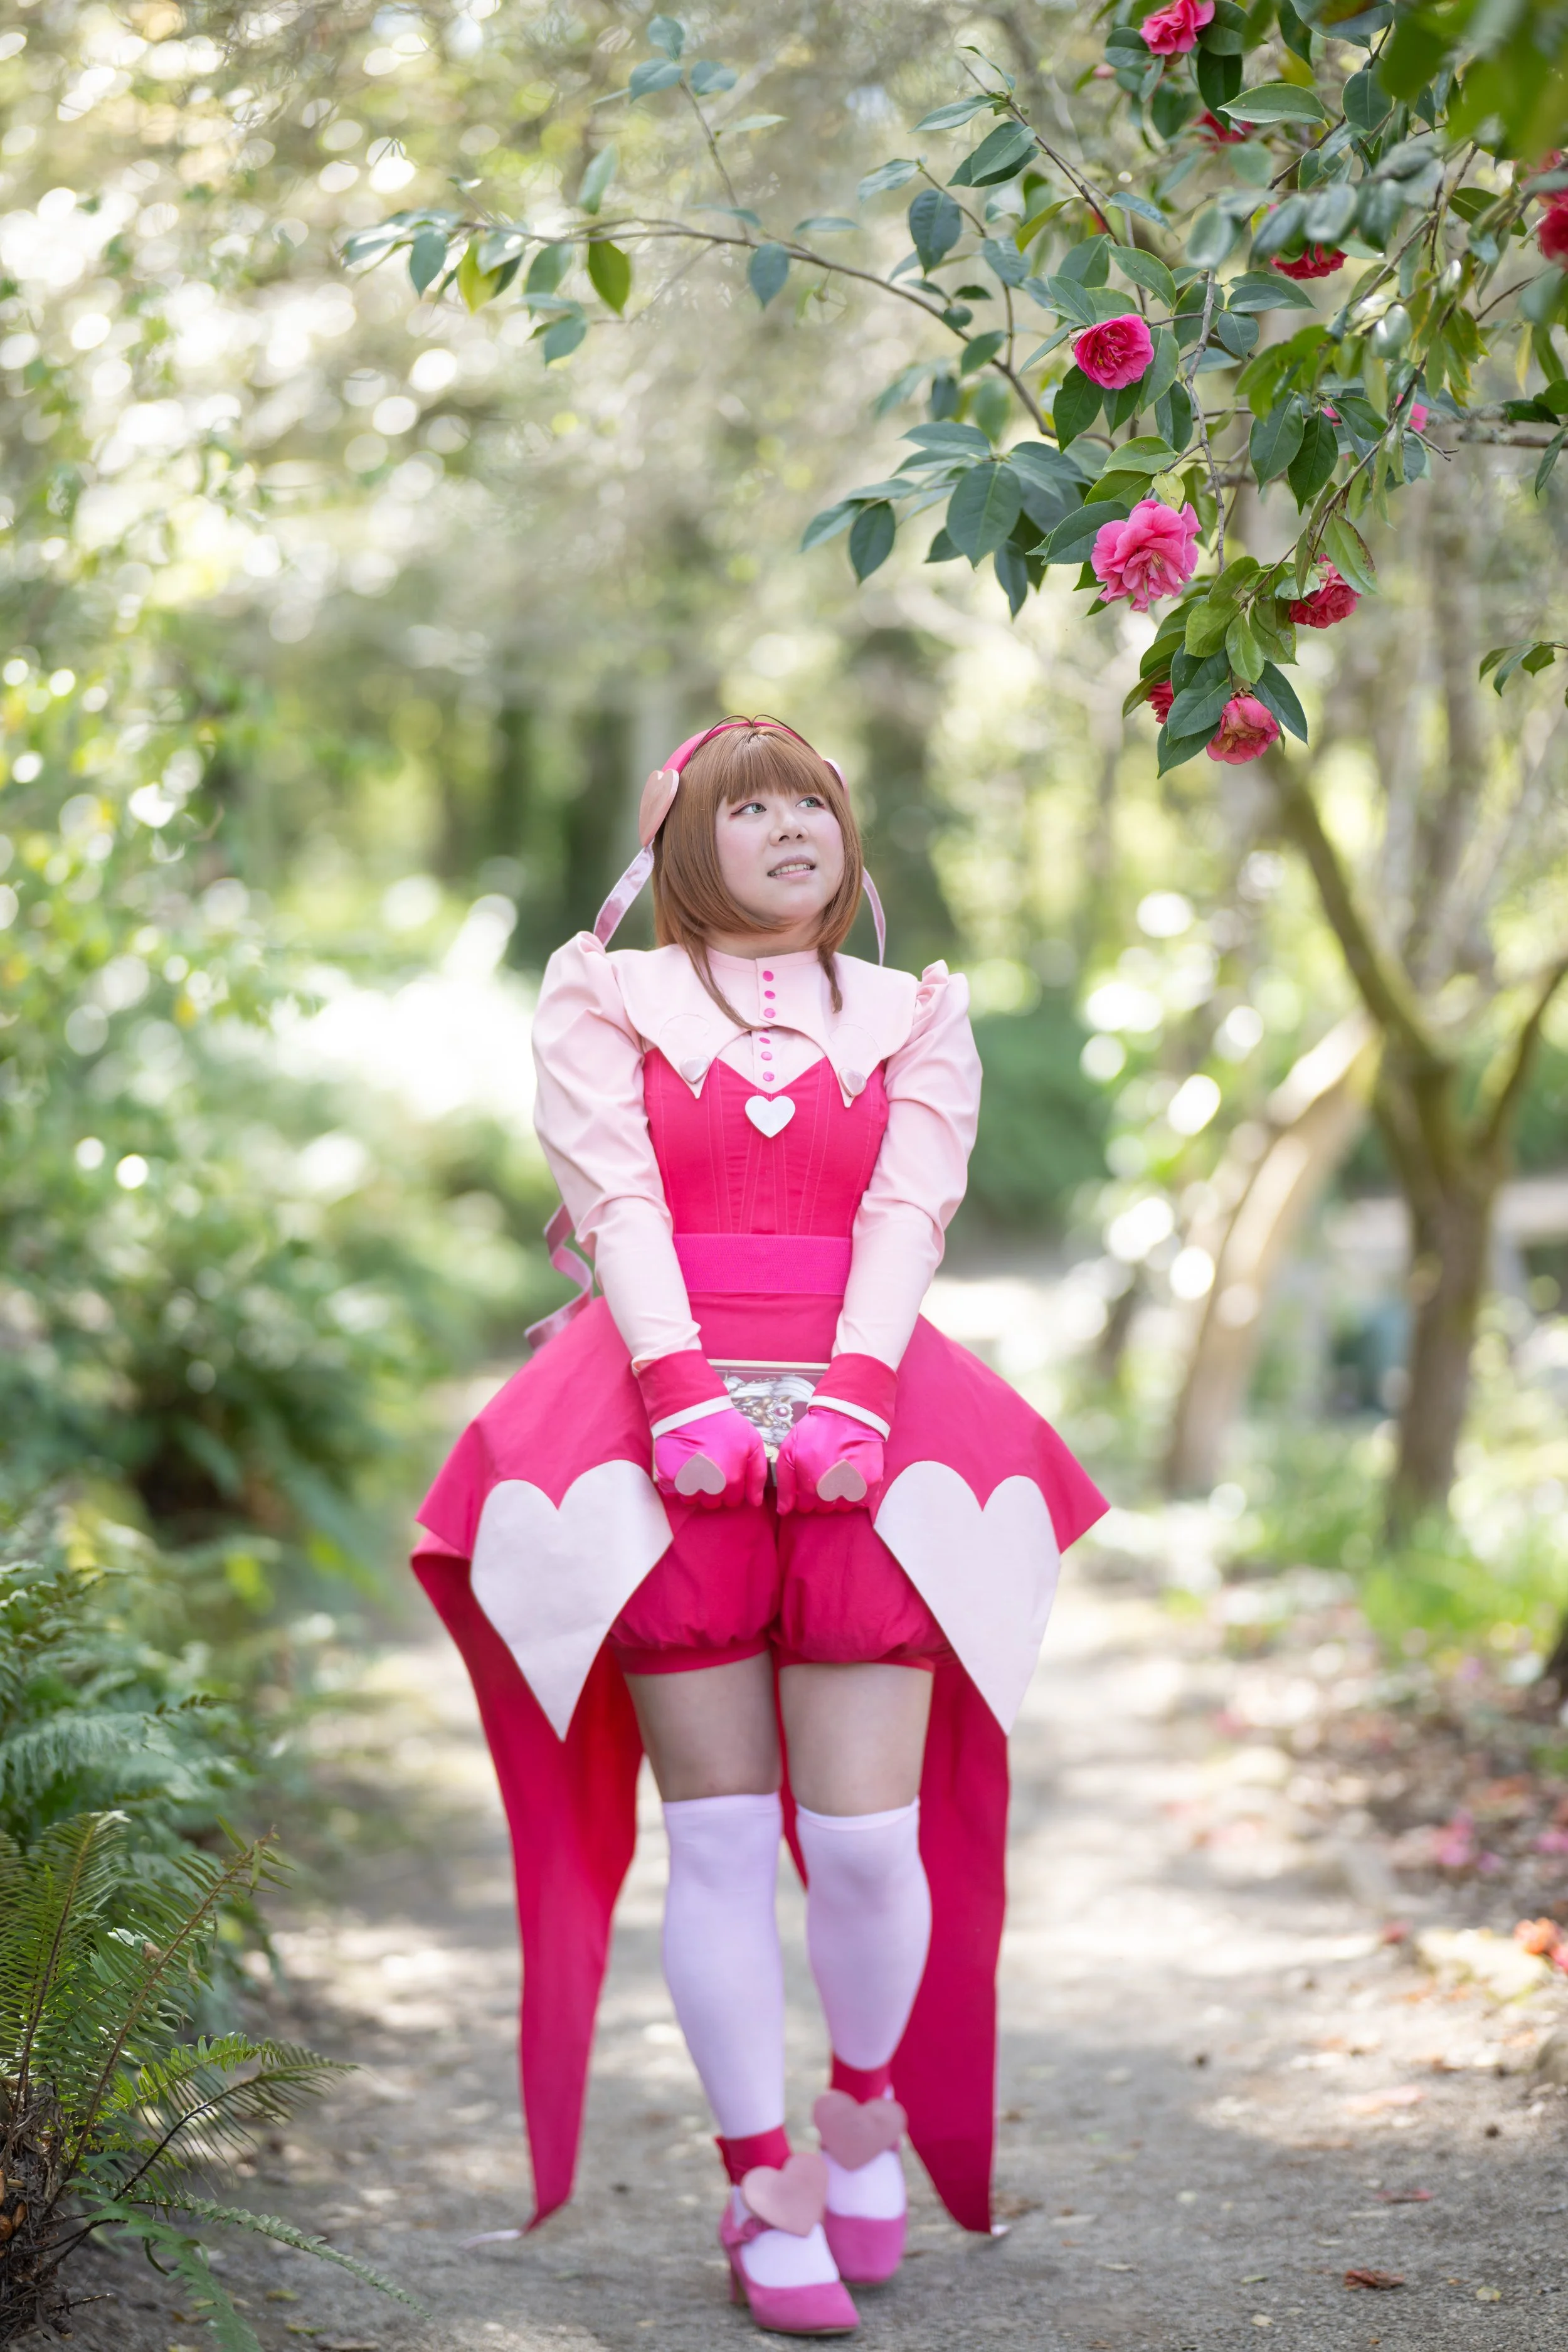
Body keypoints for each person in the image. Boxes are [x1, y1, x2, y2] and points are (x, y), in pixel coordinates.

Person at [412, 716, 1106, 2335]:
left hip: (880, 1429)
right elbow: (616, 1195)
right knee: (717, 1836)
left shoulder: (920, 1011)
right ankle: (758, 2176)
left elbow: (912, 1201)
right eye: (751, 807)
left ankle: (862, 2115)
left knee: (867, 1847)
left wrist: (861, 1390)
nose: (791, 827)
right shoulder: (604, 996)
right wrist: (678, 1391)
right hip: (662, 1436)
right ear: (679, 847)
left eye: (813, 801)